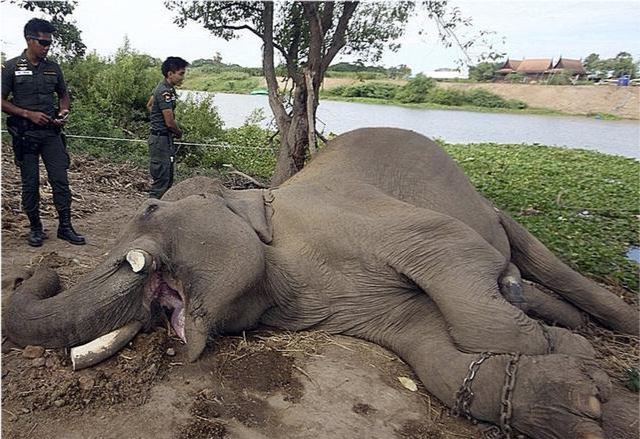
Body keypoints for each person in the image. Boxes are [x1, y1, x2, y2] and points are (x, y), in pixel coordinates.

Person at [0, 18, 85, 247]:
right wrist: (27, 114)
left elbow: (64, 94)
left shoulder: (53, 67)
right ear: (29, 40)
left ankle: (65, 227)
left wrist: (64, 110)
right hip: (25, 134)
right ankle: (36, 227)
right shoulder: (11, 67)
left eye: (49, 43)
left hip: (51, 134)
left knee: (60, 179)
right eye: (42, 42)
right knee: (30, 183)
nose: (47, 47)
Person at [146, 56, 189, 199]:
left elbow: (150, 105)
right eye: (181, 73)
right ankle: (149, 215)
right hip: (161, 140)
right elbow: (169, 122)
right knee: (161, 183)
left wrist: (156, 120)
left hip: (160, 138)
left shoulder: (163, 87)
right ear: (170, 74)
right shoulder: (165, 92)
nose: (183, 77)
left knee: (166, 179)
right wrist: (178, 132)